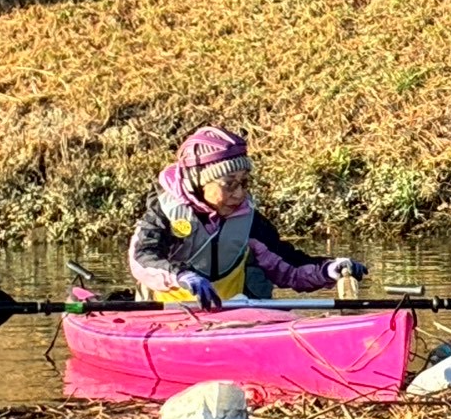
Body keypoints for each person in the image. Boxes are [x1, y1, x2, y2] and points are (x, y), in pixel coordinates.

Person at [128, 125, 366, 309]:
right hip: (168, 315)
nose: (240, 194)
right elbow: (142, 257)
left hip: (234, 315)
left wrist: (328, 269)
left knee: (257, 275)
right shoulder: (163, 214)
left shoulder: (249, 221)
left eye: (244, 183)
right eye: (229, 184)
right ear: (198, 183)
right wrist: (181, 275)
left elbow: (289, 267)